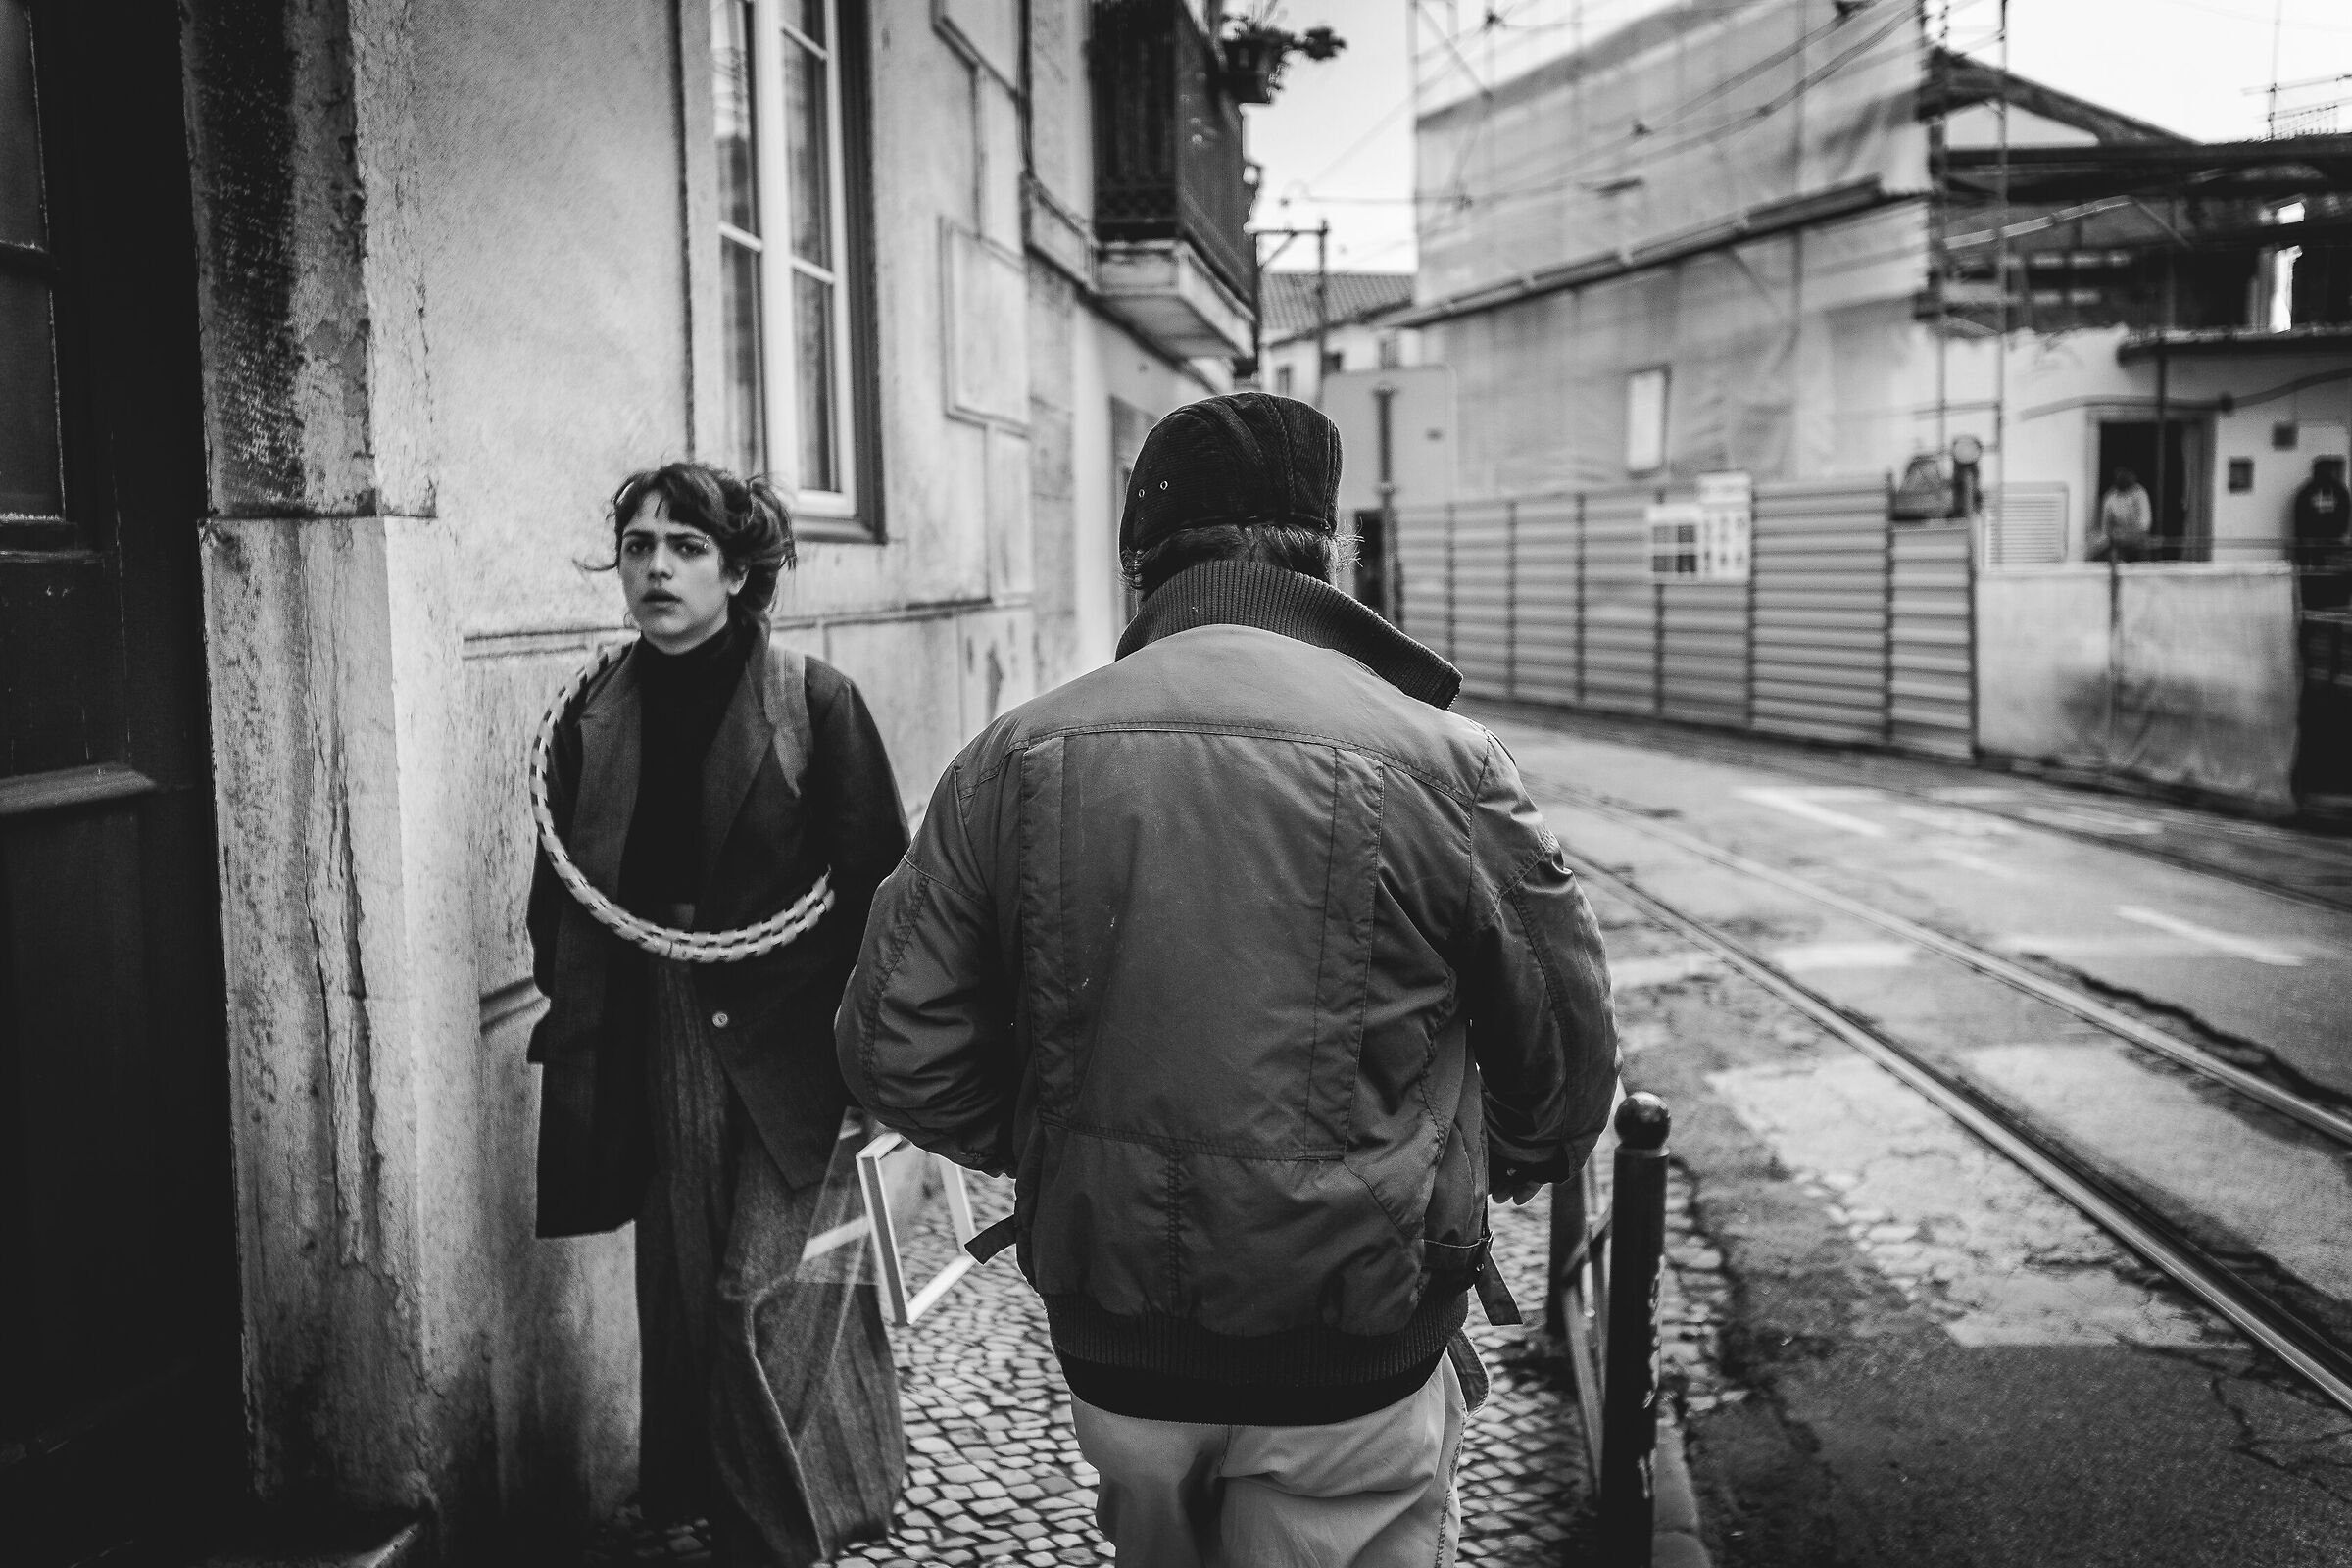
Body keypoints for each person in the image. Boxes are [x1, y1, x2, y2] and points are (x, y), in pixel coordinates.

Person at [836, 393, 1620, 1567]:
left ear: (1138, 561)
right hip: (1354, 1345)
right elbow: (1565, 1074)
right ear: (1331, 551)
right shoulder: (1442, 761)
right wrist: (1450, 1170)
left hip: (1122, 1360)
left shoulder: (1016, 752)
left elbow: (893, 1039)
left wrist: (1061, 1148)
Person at [526, 462, 908, 1566]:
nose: (655, 567)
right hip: (658, 1033)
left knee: (764, 1292)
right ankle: (750, 1522)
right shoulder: (591, 713)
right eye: (639, 545)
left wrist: (879, 1065)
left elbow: (889, 889)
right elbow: (559, 896)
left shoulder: (813, 702)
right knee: (694, 1297)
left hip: (799, 1041)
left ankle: (776, 1533)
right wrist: (582, 1018)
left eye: (685, 547)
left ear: (738, 572)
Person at [2292, 455, 2352, 609]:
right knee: (2317, 577)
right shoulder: (2308, 491)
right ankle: (2316, 608)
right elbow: (2300, 517)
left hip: (2328, 544)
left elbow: (2344, 514)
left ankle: (2327, 608)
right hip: (2316, 544)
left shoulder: (2337, 491)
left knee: (2330, 577)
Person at [2090, 465, 2153, 563]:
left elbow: (2144, 525)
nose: (2121, 476)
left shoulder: (2140, 493)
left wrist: (2126, 534)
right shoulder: (2110, 497)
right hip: (2118, 544)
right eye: (2119, 473)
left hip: (2137, 543)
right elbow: (2105, 528)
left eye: (2125, 473)